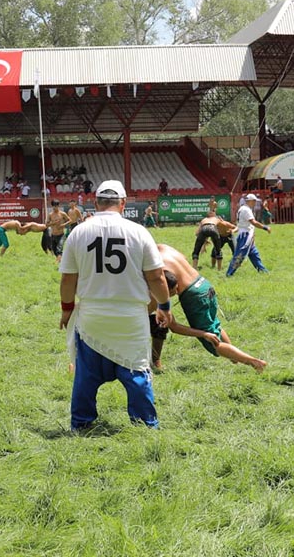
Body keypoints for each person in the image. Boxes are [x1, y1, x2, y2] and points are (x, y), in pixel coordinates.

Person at [59, 180, 173, 432]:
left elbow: (68, 279)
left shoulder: (79, 232)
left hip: (93, 315)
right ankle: (145, 423)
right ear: (122, 204)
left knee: (86, 375)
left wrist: (67, 308)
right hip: (131, 316)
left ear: (96, 202)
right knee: (136, 372)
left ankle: (81, 423)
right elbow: (156, 276)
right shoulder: (139, 231)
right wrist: (164, 304)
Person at [152, 243, 266, 371]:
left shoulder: (155, 264)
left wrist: (203, 334)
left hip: (193, 295)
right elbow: (183, 259)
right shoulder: (165, 248)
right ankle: (234, 356)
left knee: (212, 343)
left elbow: (174, 327)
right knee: (214, 324)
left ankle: (254, 362)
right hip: (204, 284)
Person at [226, 194, 271, 276]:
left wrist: (234, 230)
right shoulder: (246, 210)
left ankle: (263, 271)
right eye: (254, 201)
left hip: (246, 235)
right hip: (245, 236)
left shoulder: (242, 209)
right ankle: (229, 273)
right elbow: (253, 222)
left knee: (254, 254)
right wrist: (265, 227)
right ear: (249, 201)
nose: (255, 203)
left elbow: (240, 224)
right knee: (239, 256)